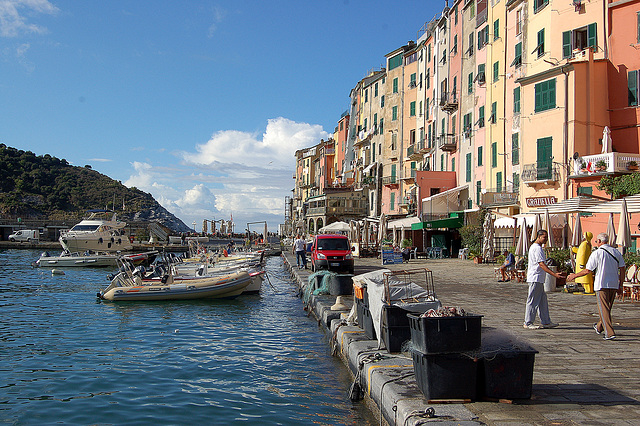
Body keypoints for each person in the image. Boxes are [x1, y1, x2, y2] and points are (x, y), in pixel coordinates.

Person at [567, 233, 624, 340]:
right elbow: (622, 268)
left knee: (603, 309)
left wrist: (575, 275)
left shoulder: (597, 253)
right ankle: (599, 327)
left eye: (597, 241)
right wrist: (620, 285)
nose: (596, 243)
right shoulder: (616, 252)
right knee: (607, 308)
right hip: (613, 284)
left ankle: (609, 333)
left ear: (600, 241)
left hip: (602, 283)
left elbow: (588, 270)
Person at [524, 230, 564, 329]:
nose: (546, 239)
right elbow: (541, 264)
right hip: (535, 277)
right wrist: (554, 274)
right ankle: (528, 322)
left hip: (539, 278)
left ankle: (546, 321)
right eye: (544, 237)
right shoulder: (537, 248)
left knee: (542, 301)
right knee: (533, 300)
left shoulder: (536, 248)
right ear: (539, 236)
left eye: (546, 237)